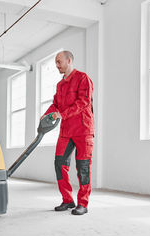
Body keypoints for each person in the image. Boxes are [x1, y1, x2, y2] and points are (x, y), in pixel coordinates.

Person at [42, 50, 94, 215]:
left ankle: (83, 204)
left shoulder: (83, 78)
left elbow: (83, 102)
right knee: (60, 164)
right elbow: (56, 105)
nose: (57, 65)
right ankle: (67, 200)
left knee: (83, 167)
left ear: (69, 60)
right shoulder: (60, 85)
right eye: (56, 62)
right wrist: (45, 116)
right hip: (66, 131)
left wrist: (62, 114)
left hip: (83, 129)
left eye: (59, 62)